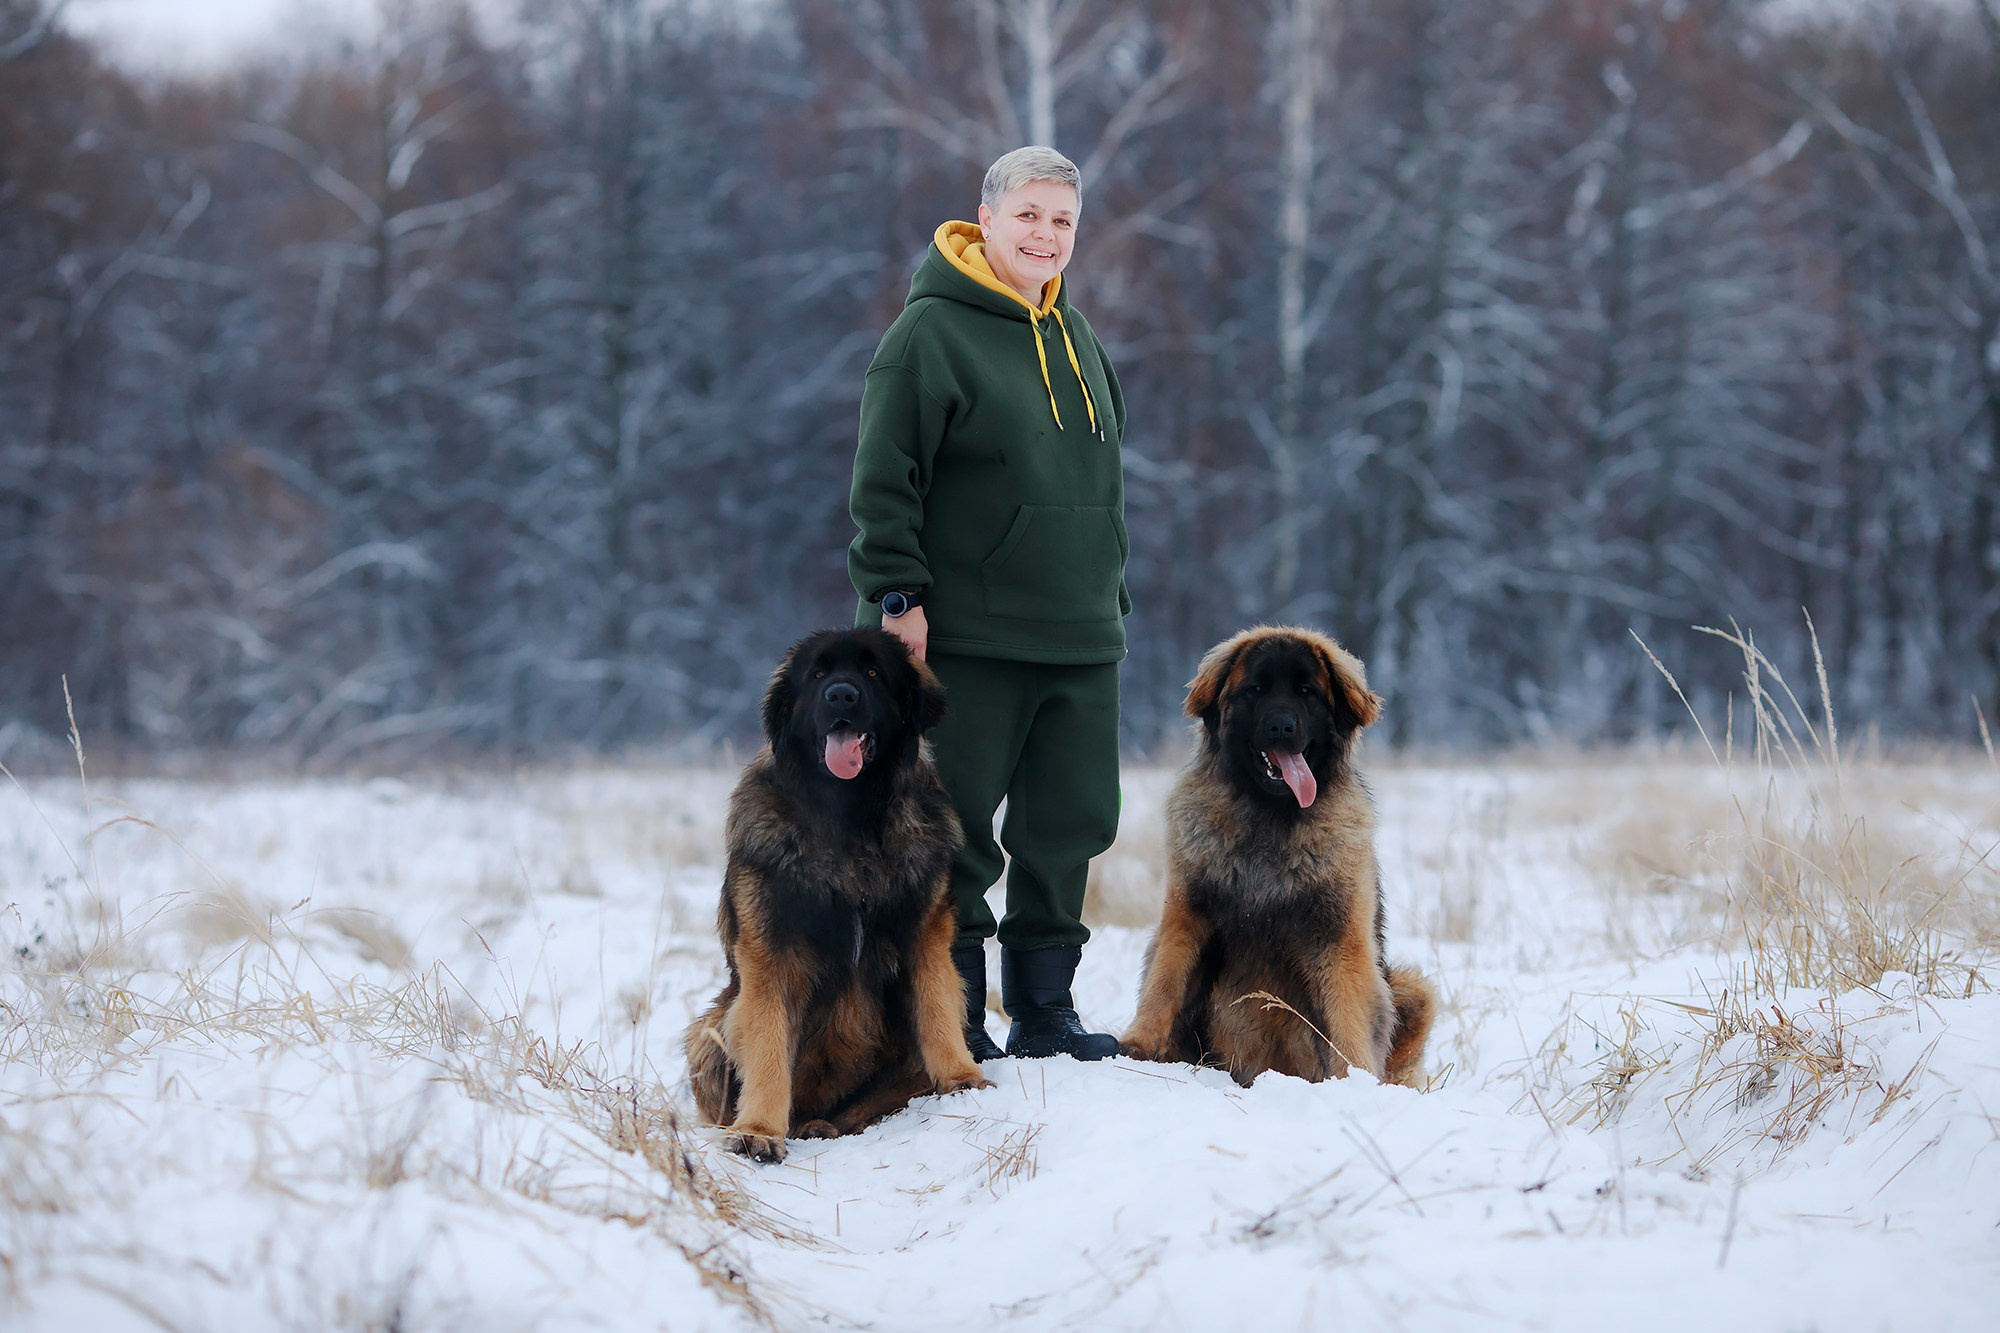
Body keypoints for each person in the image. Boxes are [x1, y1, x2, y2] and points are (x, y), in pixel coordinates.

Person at [847, 146, 1128, 1062]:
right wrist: (897, 598)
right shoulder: (928, 334)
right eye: (1030, 216)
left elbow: (1103, 484)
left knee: (1071, 822)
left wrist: (1111, 592)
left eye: (1062, 222)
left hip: (1081, 633)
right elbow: (885, 479)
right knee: (954, 827)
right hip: (964, 636)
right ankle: (954, 1016)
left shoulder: (1077, 335)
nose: (1045, 236)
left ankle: (1045, 1011)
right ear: (987, 216)